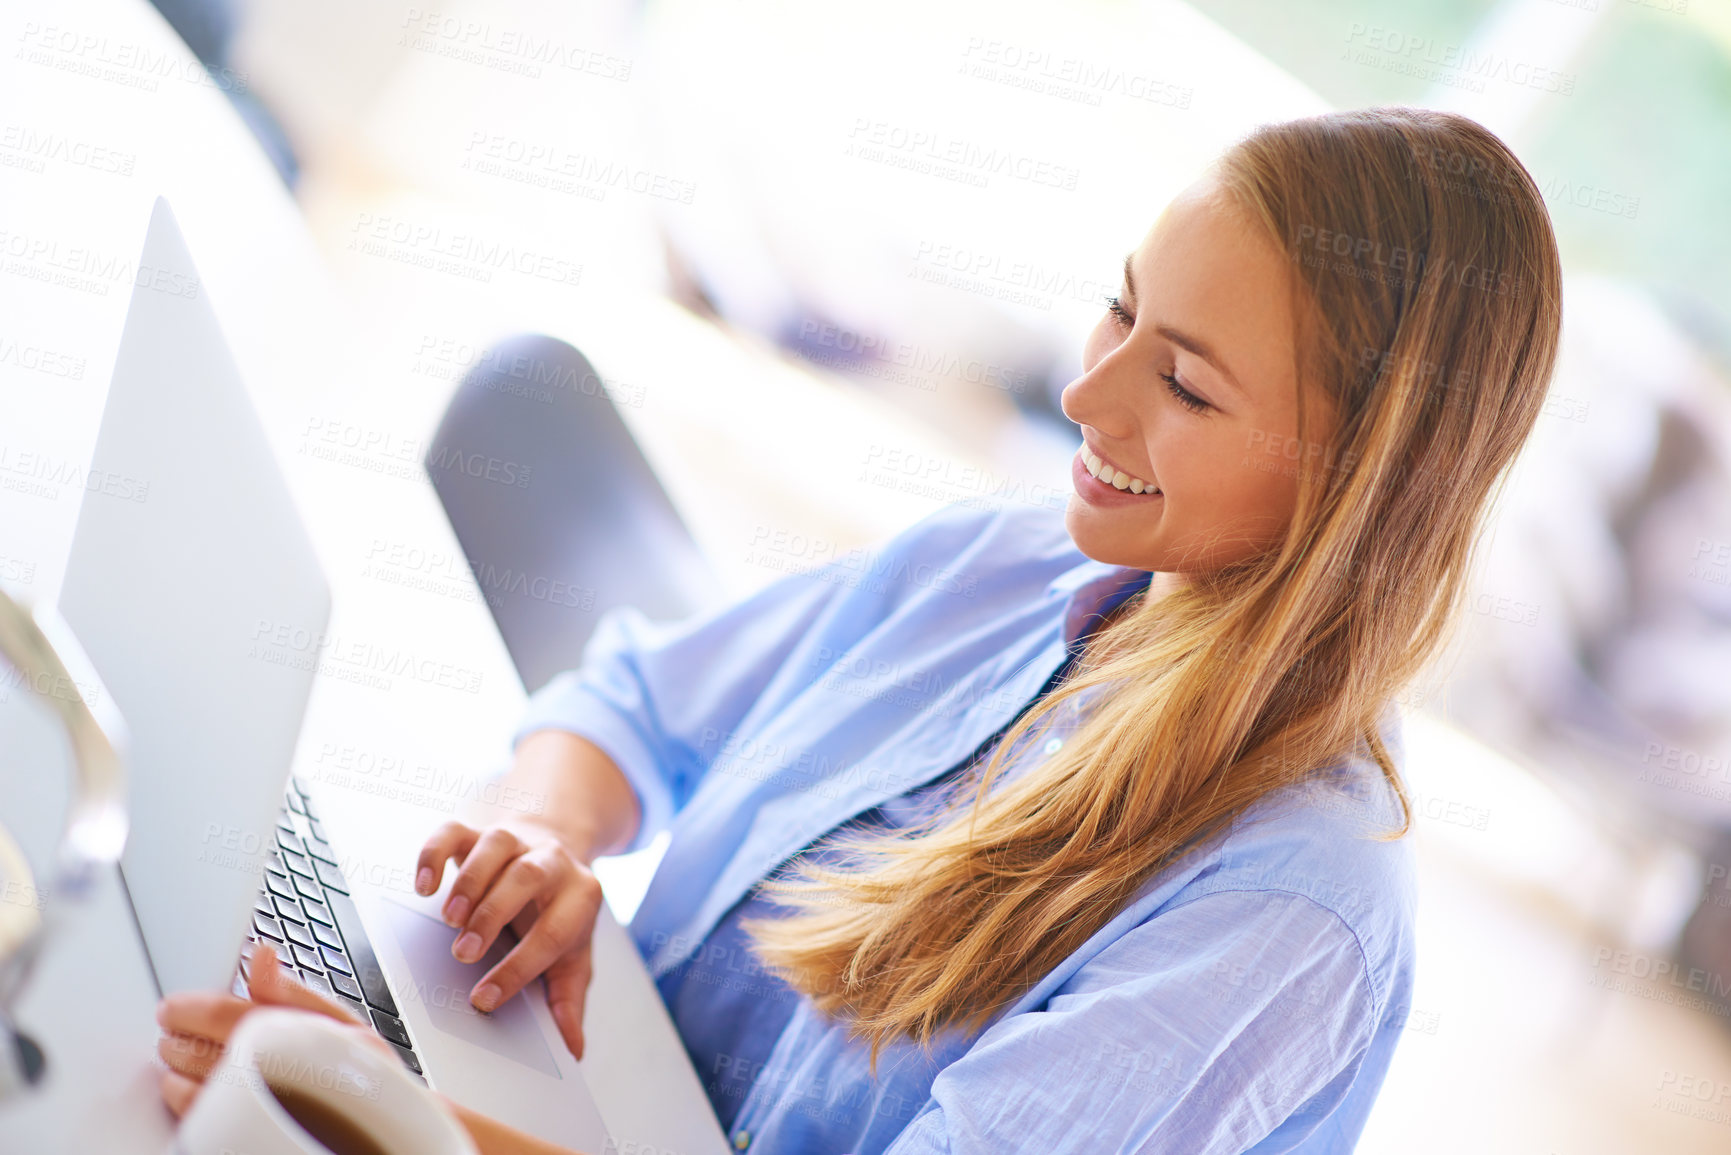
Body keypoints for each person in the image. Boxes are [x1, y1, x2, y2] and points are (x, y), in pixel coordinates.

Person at [156, 106, 1564, 1154]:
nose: (1089, 401)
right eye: (1120, 311)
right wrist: (546, 834)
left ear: (1362, 491)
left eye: (1186, 388)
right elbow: (639, 702)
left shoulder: (1293, 919)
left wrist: (391, 1118)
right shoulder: (1014, 563)